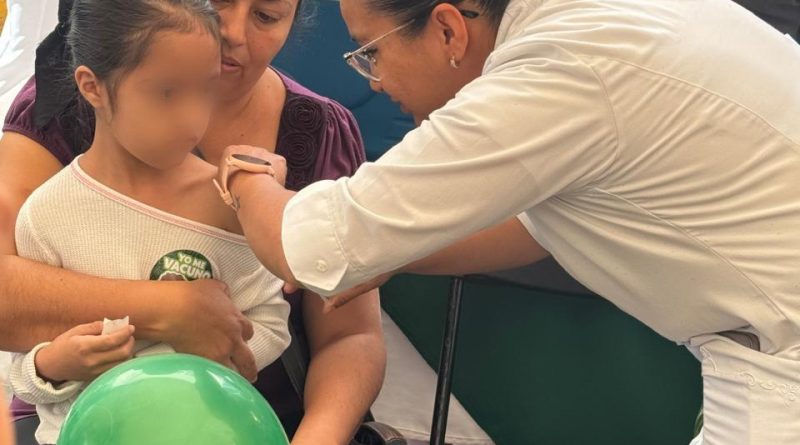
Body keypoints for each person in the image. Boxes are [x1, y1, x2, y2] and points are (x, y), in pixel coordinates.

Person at [217, 1, 800, 444]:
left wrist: (246, 174)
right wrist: (389, 252)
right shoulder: (600, 24)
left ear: (448, 30)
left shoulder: (555, 70)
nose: (374, 81)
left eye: (372, 51)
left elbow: (309, 247)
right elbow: (534, 225)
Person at [0, 0, 384, 443]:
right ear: (93, 88)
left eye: (265, 16)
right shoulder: (61, 112)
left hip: (235, 422)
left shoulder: (309, 139)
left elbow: (347, 331)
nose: (232, 32)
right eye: (217, 2)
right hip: (82, 423)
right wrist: (172, 312)